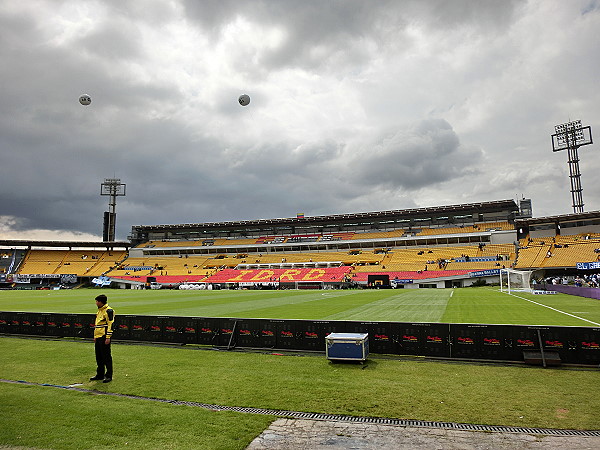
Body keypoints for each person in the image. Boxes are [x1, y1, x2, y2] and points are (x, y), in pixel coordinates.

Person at [90, 294, 114, 383]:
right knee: (98, 356)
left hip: (104, 336)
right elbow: (97, 325)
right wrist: (95, 336)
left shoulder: (109, 311)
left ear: (101, 302)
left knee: (106, 356)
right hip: (98, 336)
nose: (96, 303)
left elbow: (111, 324)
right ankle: (100, 374)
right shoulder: (99, 311)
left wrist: (108, 337)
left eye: (97, 301)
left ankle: (108, 375)